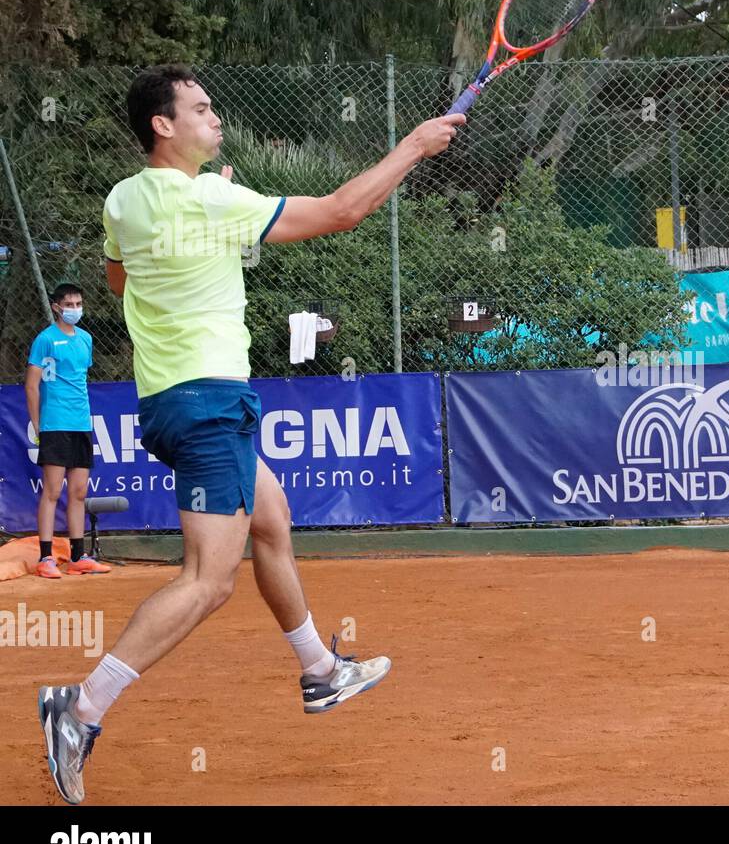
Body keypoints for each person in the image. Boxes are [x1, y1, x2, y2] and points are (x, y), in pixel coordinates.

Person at [37, 63, 465, 804]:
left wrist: (208, 238)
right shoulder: (211, 197)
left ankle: (320, 670)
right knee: (209, 580)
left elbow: (118, 281)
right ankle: (79, 710)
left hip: (173, 398)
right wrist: (414, 147)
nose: (215, 118)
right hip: (207, 400)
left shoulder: (123, 199)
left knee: (271, 520)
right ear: (162, 125)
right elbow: (341, 210)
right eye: (200, 109)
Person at [24, 282, 113, 579]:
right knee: (51, 492)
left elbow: (79, 379)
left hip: (81, 424)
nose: (75, 309)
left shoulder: (86, 339)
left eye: (79, 304)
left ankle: (78, 556)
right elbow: (31, 385)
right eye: (70, 304)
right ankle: (46, 557)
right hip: (54, 423)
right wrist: (38, 425)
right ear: (56, 307)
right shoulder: (45, 340)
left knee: (78, 491)